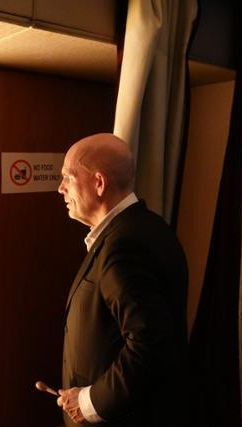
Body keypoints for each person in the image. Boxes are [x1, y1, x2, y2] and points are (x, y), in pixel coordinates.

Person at [55, 133, 188, 426]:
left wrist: (88, 402)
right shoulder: (146, 226)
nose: (60, 188)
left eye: (67, 177)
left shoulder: (125, 246)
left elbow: (150, 344)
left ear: (99, 183)